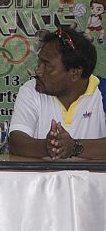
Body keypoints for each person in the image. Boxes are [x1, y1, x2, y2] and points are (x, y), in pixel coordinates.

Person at [9, 27, 106, 159]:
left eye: (47, 66)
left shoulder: (102, 92)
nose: (39, 72)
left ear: (74, 73)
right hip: (44, 180)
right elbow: (16, 142)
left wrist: (74, 147)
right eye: (40, 62)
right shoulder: (31, 90)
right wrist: (48, 147)